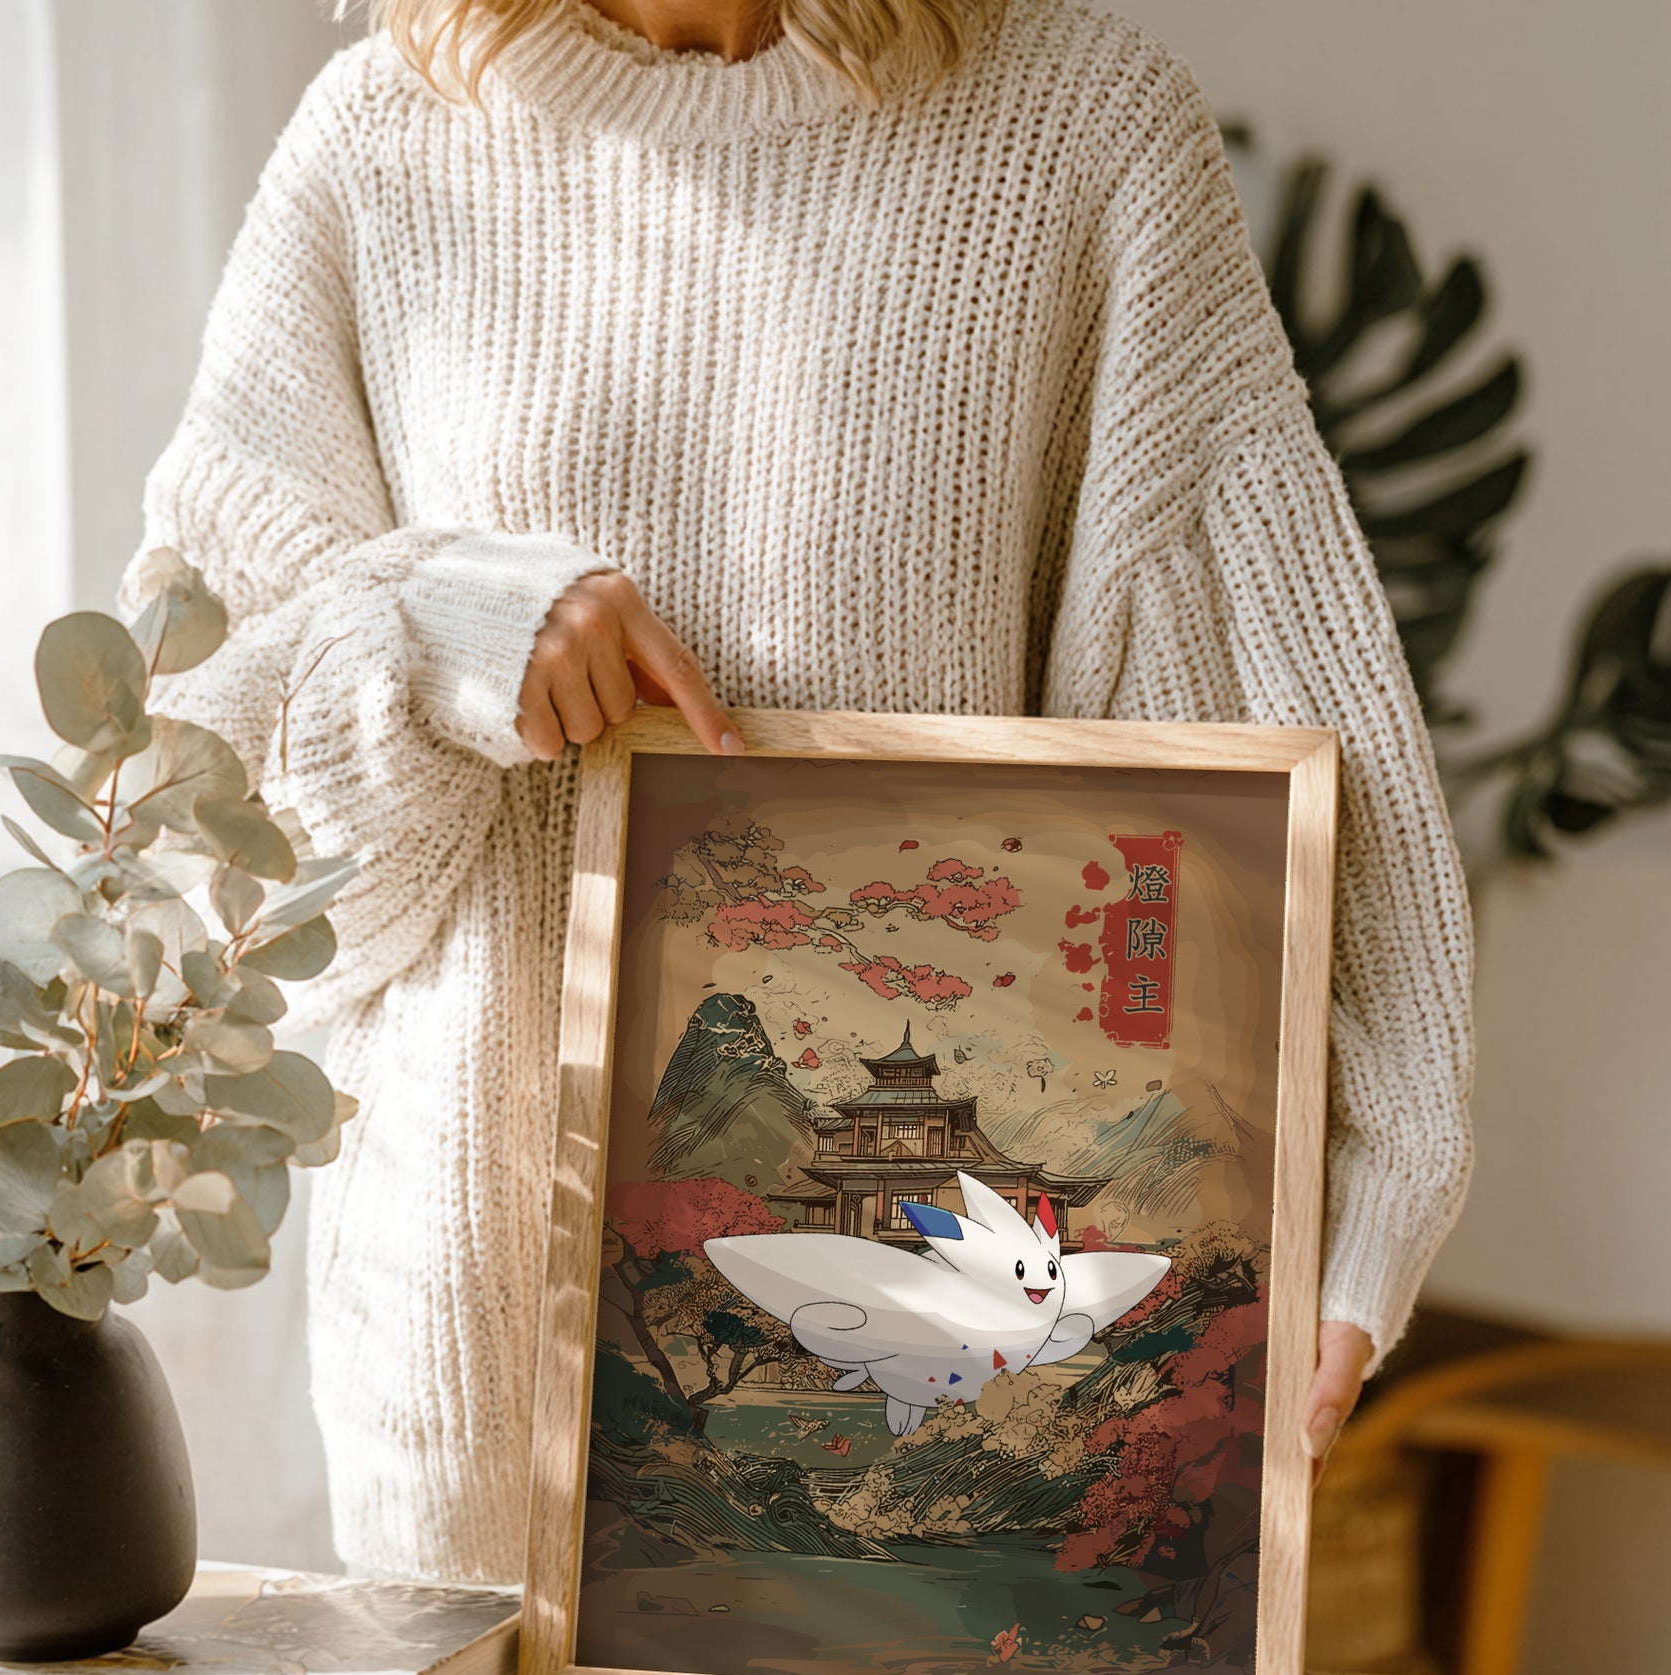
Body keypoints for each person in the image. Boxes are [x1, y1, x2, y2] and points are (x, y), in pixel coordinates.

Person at [121, 0, 1474, 1587]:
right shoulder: (380, 140)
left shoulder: (1078, 128)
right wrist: (436, 623)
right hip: (467, 1341)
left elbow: (1260, 699)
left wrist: (1362, 1181)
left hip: (975, 1388)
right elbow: (193, 817)